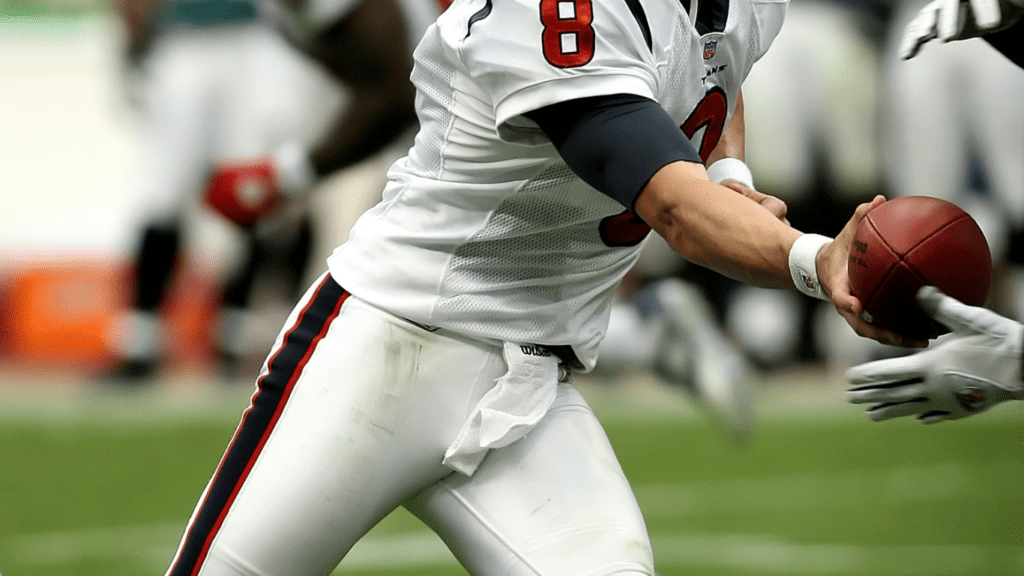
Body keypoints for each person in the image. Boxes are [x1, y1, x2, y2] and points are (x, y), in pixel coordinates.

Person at [165, 0, 916, 573]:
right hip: (386, 352)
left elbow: (711, 72)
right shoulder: (558, 13)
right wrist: (815, 259)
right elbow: (674, 209)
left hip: (529, 391)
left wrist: (731, 177)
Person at [846, 0, 1024, 425]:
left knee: (1018, 185)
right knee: (919, 209)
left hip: (1008, 9)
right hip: (919, 13)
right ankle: (911, 319)